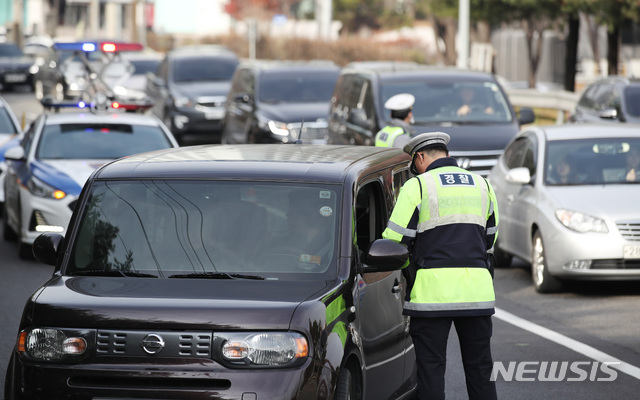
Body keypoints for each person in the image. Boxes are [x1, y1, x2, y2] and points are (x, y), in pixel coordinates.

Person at [382, 131, 499, 400]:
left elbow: (395, 240)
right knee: (481, 369)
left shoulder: (418, 186)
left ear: (420, 157)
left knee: (431, 370)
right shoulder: (483, 184)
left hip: (431, 297)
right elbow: (490, 238)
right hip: (477, 295)